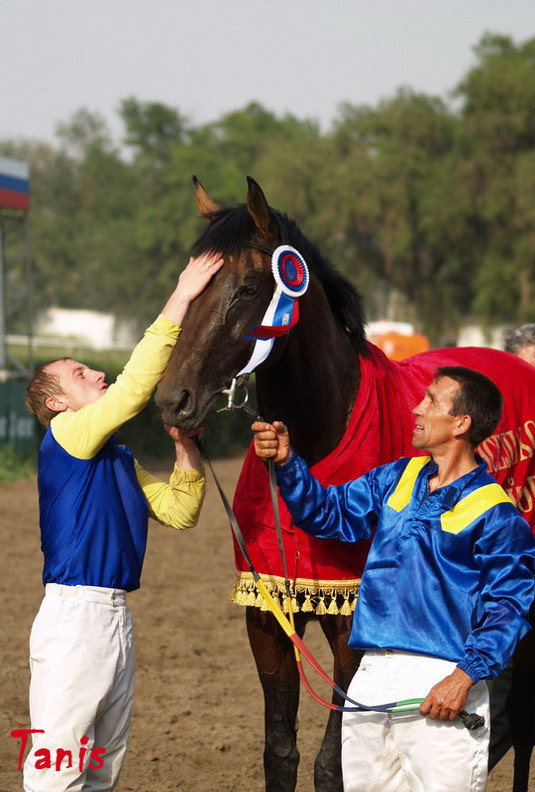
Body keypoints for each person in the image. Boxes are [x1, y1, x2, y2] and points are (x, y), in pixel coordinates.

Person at [252, 366, 535, 792]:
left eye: (432, 401)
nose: (417, 408)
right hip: (370, 675)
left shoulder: (498, 515)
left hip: (443, 680)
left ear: (461, 424)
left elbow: (510, 607)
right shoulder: (396, 477)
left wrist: (464, 678)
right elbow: (327, 514)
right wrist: (288, 463)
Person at [22, 251, 223, 792]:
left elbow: (180, 513)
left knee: (100, 770)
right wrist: (181, 294)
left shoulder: (116, 455)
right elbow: (135, 388)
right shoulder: (66, 436)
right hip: (75, 619)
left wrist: (186, 452)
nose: (98, 373)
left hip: (113, 618)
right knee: (57, 770)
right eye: (81, 374)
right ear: (60, 404)